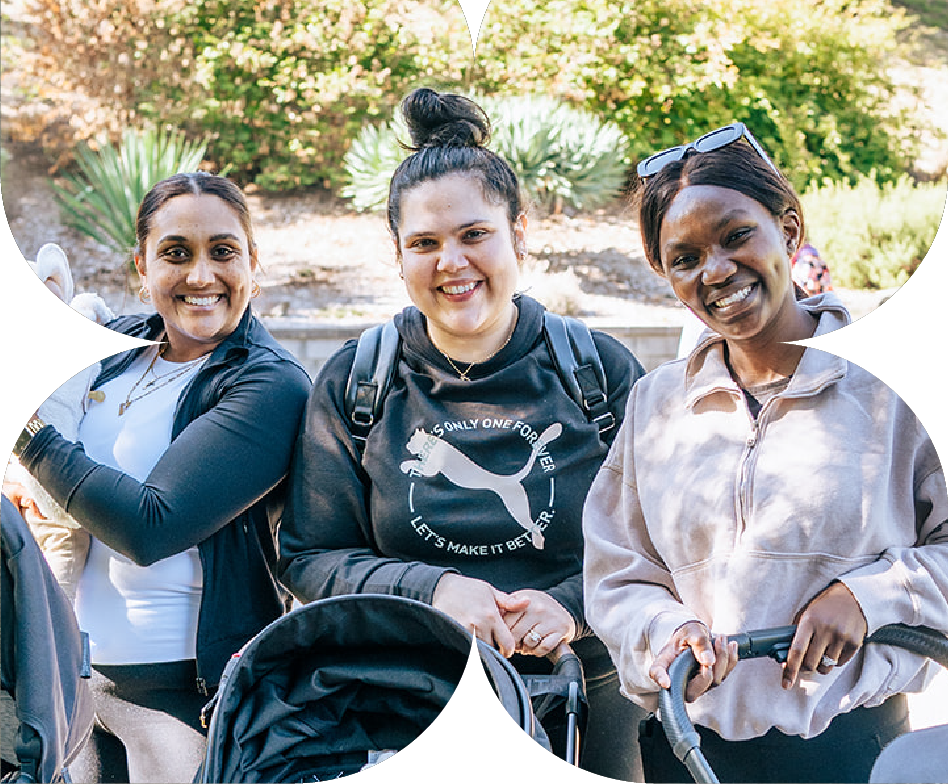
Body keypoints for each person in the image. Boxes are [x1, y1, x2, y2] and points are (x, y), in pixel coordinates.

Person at [278, 87, 647, 781]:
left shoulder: (598, 373)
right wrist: (433, 589)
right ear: (398, 254)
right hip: (417, 700)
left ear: (520, 233)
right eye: (425, 243)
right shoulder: (358, 382)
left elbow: (666, 544)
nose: (452, 262)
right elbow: (307, 557)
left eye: (475, 234)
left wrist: (570, 607)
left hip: (591, 702)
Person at [582, 124, 948, 784]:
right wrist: (666, 632)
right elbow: (618, 572)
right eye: (685, 259)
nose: (716, 271)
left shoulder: (899, 378)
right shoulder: (655, 404)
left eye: (734, 236)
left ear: (788, 226)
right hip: (686, 755)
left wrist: (871, 597)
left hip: (854, 754)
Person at [5, 172, 312, 784]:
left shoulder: (269, 384)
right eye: (176, 253)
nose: (201, 274)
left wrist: (30, 433)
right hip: (69, 685)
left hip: (180, 696)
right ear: (140, 267)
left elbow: (151, 526)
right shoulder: (114, 348)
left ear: (254, 264)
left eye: (222, 251)